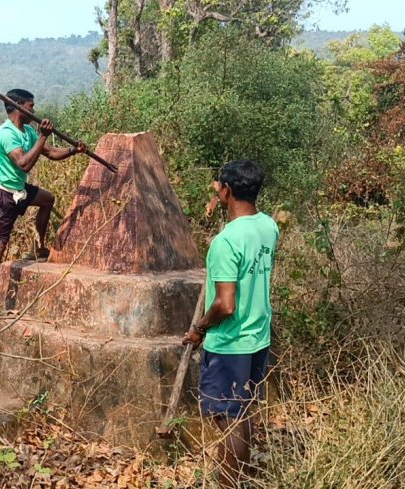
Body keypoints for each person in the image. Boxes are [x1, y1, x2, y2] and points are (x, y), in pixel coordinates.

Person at [183, 160, 280, 488]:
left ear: (228, 191)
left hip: (231, 342)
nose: (216, 191)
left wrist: (200, 328)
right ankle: (242, 475)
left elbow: (225, 304)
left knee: (228, 417)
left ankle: (229, 482)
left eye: (218, 187)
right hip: (258, 337)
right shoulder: (268, 226)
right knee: (246, 408)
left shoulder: (225, 242)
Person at [0, 88, 86, 318]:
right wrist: (43, 136)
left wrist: (73, 150)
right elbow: (23, 164)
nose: (34, 110)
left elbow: (49, 153)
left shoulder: (28, 131)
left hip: (20, 189)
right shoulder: (6, 133)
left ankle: (39, 247)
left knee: (47, 199)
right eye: (31, 106)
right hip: (3, 194)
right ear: (19, 107)